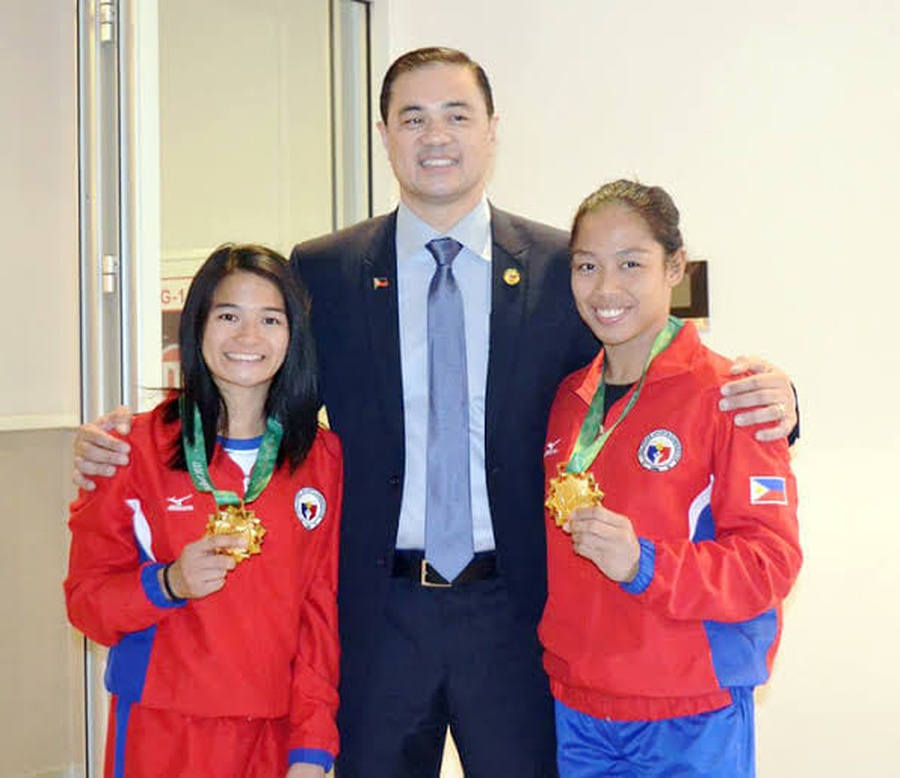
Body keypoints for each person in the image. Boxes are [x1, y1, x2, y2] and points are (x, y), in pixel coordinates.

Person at [71, 49, 799, 778]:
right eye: (412, 118)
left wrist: (781, 403)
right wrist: (133, 433)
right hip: (380, 612)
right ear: (385, 134)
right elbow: (257, 379)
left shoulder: (558, 267)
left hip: (519, 612)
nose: (436, 136)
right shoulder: (325, 269)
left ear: (491, 131)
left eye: (457, 115)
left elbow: (637, 373)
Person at [539, 180, 802, 777]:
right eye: (587, 266)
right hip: (579, 708)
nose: (606, 289)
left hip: (689, 708)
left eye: (631, 263)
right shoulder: (566, 401)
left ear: (675, 267)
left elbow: (770, 562)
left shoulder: (732, 395)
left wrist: (645, 563)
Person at [65, 245, 342, 778]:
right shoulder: (130, 449)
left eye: (270, 319)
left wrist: (311, 747)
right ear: (197, 328)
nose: (248, 337)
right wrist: (166, 583)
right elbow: (86, 604)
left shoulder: (320, 459)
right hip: (162, 728)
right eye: (228, 316)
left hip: (273, 732)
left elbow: (320, 616)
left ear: (293, 336)